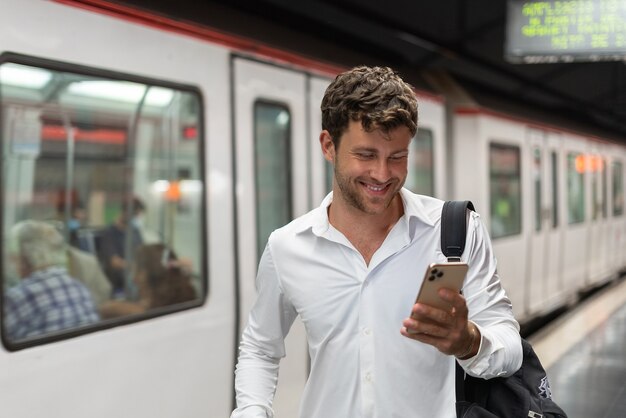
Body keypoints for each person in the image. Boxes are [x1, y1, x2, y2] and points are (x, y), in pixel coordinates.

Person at [231, 66, 523, 417]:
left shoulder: (455, 232)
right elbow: (260, 348)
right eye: (366, 155)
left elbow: (509, 347)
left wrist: (468, 341)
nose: (383, 174)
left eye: (397, 157)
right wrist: (251, 410)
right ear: (328, 146)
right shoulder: (287, 247)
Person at [4, 220, 99, 341]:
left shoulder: (17, 297)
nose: (11, 264)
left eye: (13, 257)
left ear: (24, 258)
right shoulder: (80, 288)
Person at [98, 243, 196, 318]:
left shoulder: (145, 314)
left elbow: (105, 309)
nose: (133, 279)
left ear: (144, 275)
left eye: (136, 271)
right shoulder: (184, 299)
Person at [98, 197, 145, 298]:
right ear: (125, 211)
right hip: (120, 278)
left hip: (136, 274)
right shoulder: (110, 233)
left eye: (136, 215)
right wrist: (133, 267)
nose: (135, 218)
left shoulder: (135, 231)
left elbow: (143, 252)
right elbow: (114, 262)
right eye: (134, 214)